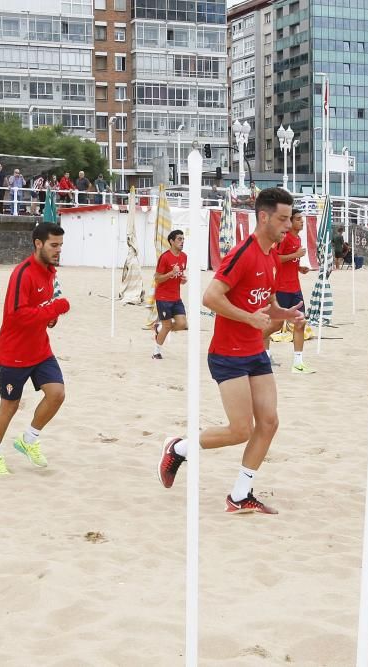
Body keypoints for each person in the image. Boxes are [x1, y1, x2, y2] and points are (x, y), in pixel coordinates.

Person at [157, 187, 305, 514]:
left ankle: (240, 494)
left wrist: (285, 314)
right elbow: (210, 297)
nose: (288, 226)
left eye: (289, 219)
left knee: (269, 422)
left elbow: (266, 305)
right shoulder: (243, 253)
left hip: (254, 353)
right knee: (241, 429)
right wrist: (248, 318)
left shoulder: (271, 259)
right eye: (282, 219)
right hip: (227, 354)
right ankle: (178, 448)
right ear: (263, 217)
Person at [0, 224, 72, 475]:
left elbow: (44, 306)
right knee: (9, 406)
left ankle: (28, 440)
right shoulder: (23, 273)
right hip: (14, 351)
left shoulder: (51, 272)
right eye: (54, 245)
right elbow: (18, 314)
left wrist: (51, 317)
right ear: (38, 244)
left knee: (57, 394)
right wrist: (55, 310)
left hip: (40, 349)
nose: (58, 250)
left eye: (61, 245)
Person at [268, 206, 314, 373]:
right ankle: (263, 356)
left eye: (302, 219)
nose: (302, 221)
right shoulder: (284, 238)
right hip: (281, 288)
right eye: (298, 219)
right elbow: (275, 258)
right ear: (290, 221)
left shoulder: (298, 239)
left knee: (300, 323)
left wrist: (299, 267)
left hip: (295, 288)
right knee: (274, 325)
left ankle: (298, 363)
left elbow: (288, 263)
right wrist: (295, 256)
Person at [152, 229, 188, 360]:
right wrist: (170, 273)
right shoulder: (165, 257)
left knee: (182, 324)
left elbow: (179, 279)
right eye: (179, 239)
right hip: (163, 298)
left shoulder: (184, 257)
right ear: (171, 241)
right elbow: (157, 279)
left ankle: (160, 328)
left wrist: (183, 280)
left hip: (176, 297)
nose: (182, 242)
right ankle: (156, 352)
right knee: (167, 326)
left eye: (183, 239)